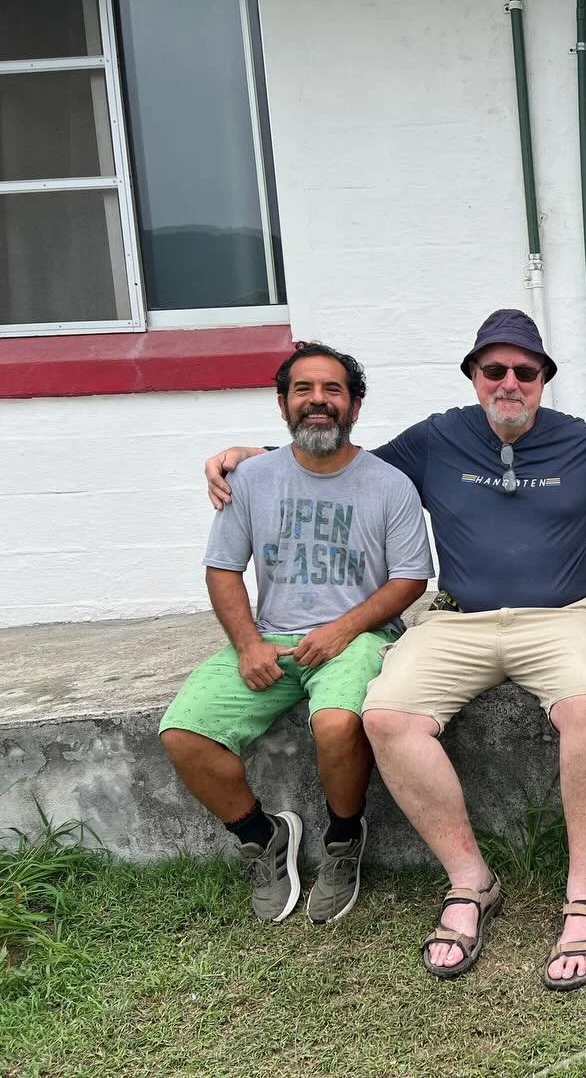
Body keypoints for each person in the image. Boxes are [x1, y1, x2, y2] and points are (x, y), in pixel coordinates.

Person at [205, 310, 586, 990]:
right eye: (494, 369)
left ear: (543, 379)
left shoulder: (584, 442)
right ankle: (471, 883)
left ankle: (585, 894)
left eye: (525, 371)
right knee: (387, 716)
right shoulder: (439, 437)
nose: (509, 382)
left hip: (562, 617)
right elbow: (341, 462)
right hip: (458, 621)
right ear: (474, 376)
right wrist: (255, 454)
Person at [162, 342, 433, 925]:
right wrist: (247, 645)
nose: (318, 400)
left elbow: (412, 577)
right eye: (303, 389)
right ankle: (262, 838)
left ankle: (343, 840)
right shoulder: (251, 479)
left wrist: (343, 629)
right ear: (283, 403)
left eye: (333, 389)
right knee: (185, 731)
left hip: (359, 636)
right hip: (271, 638)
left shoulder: (390, 484)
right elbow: (222, 569)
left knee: (336, 723)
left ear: (355, 405)